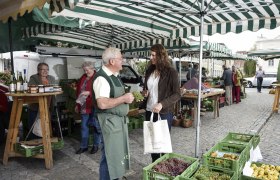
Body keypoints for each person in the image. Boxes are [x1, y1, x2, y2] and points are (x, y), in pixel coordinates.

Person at [92, 47, 134, 180]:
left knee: (116, 154)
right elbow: (102, 104)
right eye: (120, 58)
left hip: (115, 121)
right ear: (112, 61)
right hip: (108, 121)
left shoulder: (114, 76)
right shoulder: (101, 79)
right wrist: (124, 99)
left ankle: (116, 177)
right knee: (109, 156)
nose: (123, 60)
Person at [142, 44, 181, 162]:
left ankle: (164, 168)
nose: (151, 57)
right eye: (150, 54)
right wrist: (145, 93)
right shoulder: (150, 70)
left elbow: (177, 94)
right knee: (153, 145)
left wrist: (162, 104)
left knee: (163, 145)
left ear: (161, 56)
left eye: (153, 55)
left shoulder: (171, 72)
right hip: (149, 111)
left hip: (163, 113)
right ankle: (154, 167)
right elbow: (147, 88)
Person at [75, 61, 101, 154]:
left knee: (95, 126)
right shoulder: (83, 77)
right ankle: (83, 146)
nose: (86, 72)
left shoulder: (98, 77)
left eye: (87, 70)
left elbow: (100, 91)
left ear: (93, 68)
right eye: (84, 70)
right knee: (84, 126)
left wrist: (89, 93)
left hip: (94, 105)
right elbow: (78, 91)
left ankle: (95, 145)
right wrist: (77, 105)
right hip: (84, 105)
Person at [28, 62, 55, 139]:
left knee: (45, 127)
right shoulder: (34, 77)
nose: (45, 71)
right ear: (38, 70)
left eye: (47, 69)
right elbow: (32, 87)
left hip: (48, 106)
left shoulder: (51, 78)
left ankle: (44, 145)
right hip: (35, 107)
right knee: (34, 128)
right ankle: (34, 145)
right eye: (43, 69)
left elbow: (54, 89)